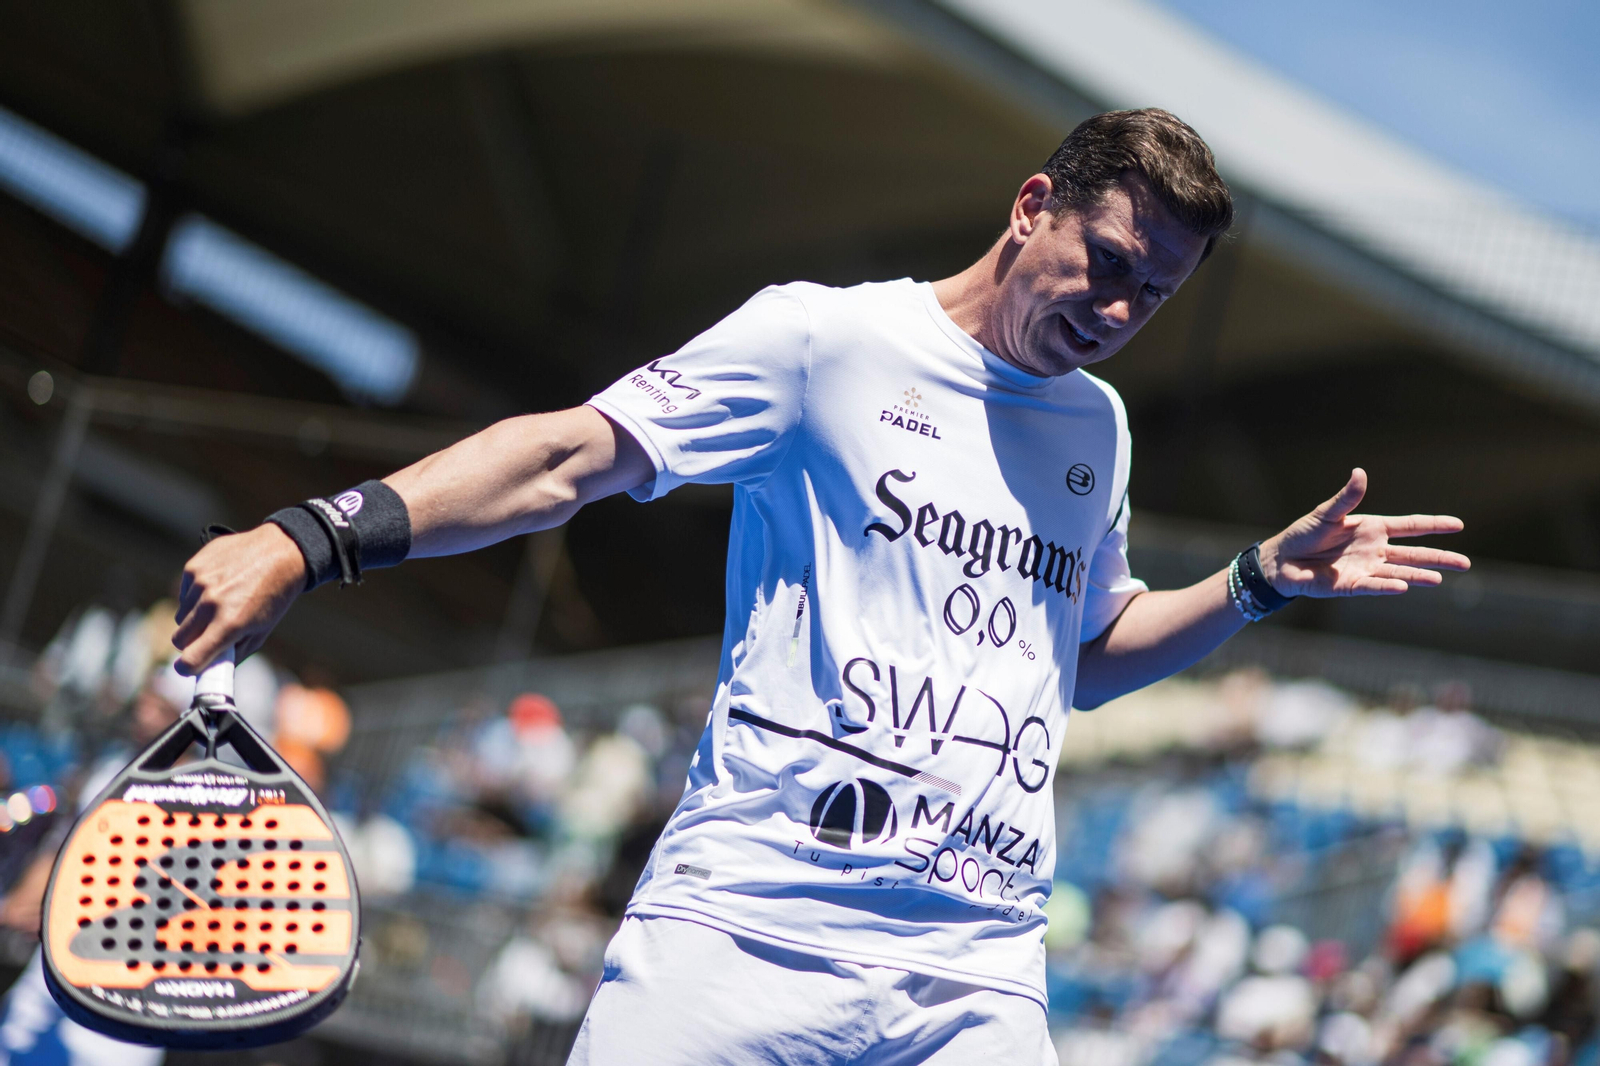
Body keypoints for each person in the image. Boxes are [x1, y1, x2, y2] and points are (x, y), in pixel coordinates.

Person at [170, 109, 1470, 1064]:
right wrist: (312, 536)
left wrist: (1251, 583)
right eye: (1113, 263)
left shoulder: (1097, 430)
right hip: (745, 930)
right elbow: (570, 455)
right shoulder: (825, 339)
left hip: (974, 971)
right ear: (1033, 205)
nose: (1124, 309)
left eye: (1159, 294)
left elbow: (1077, 656)